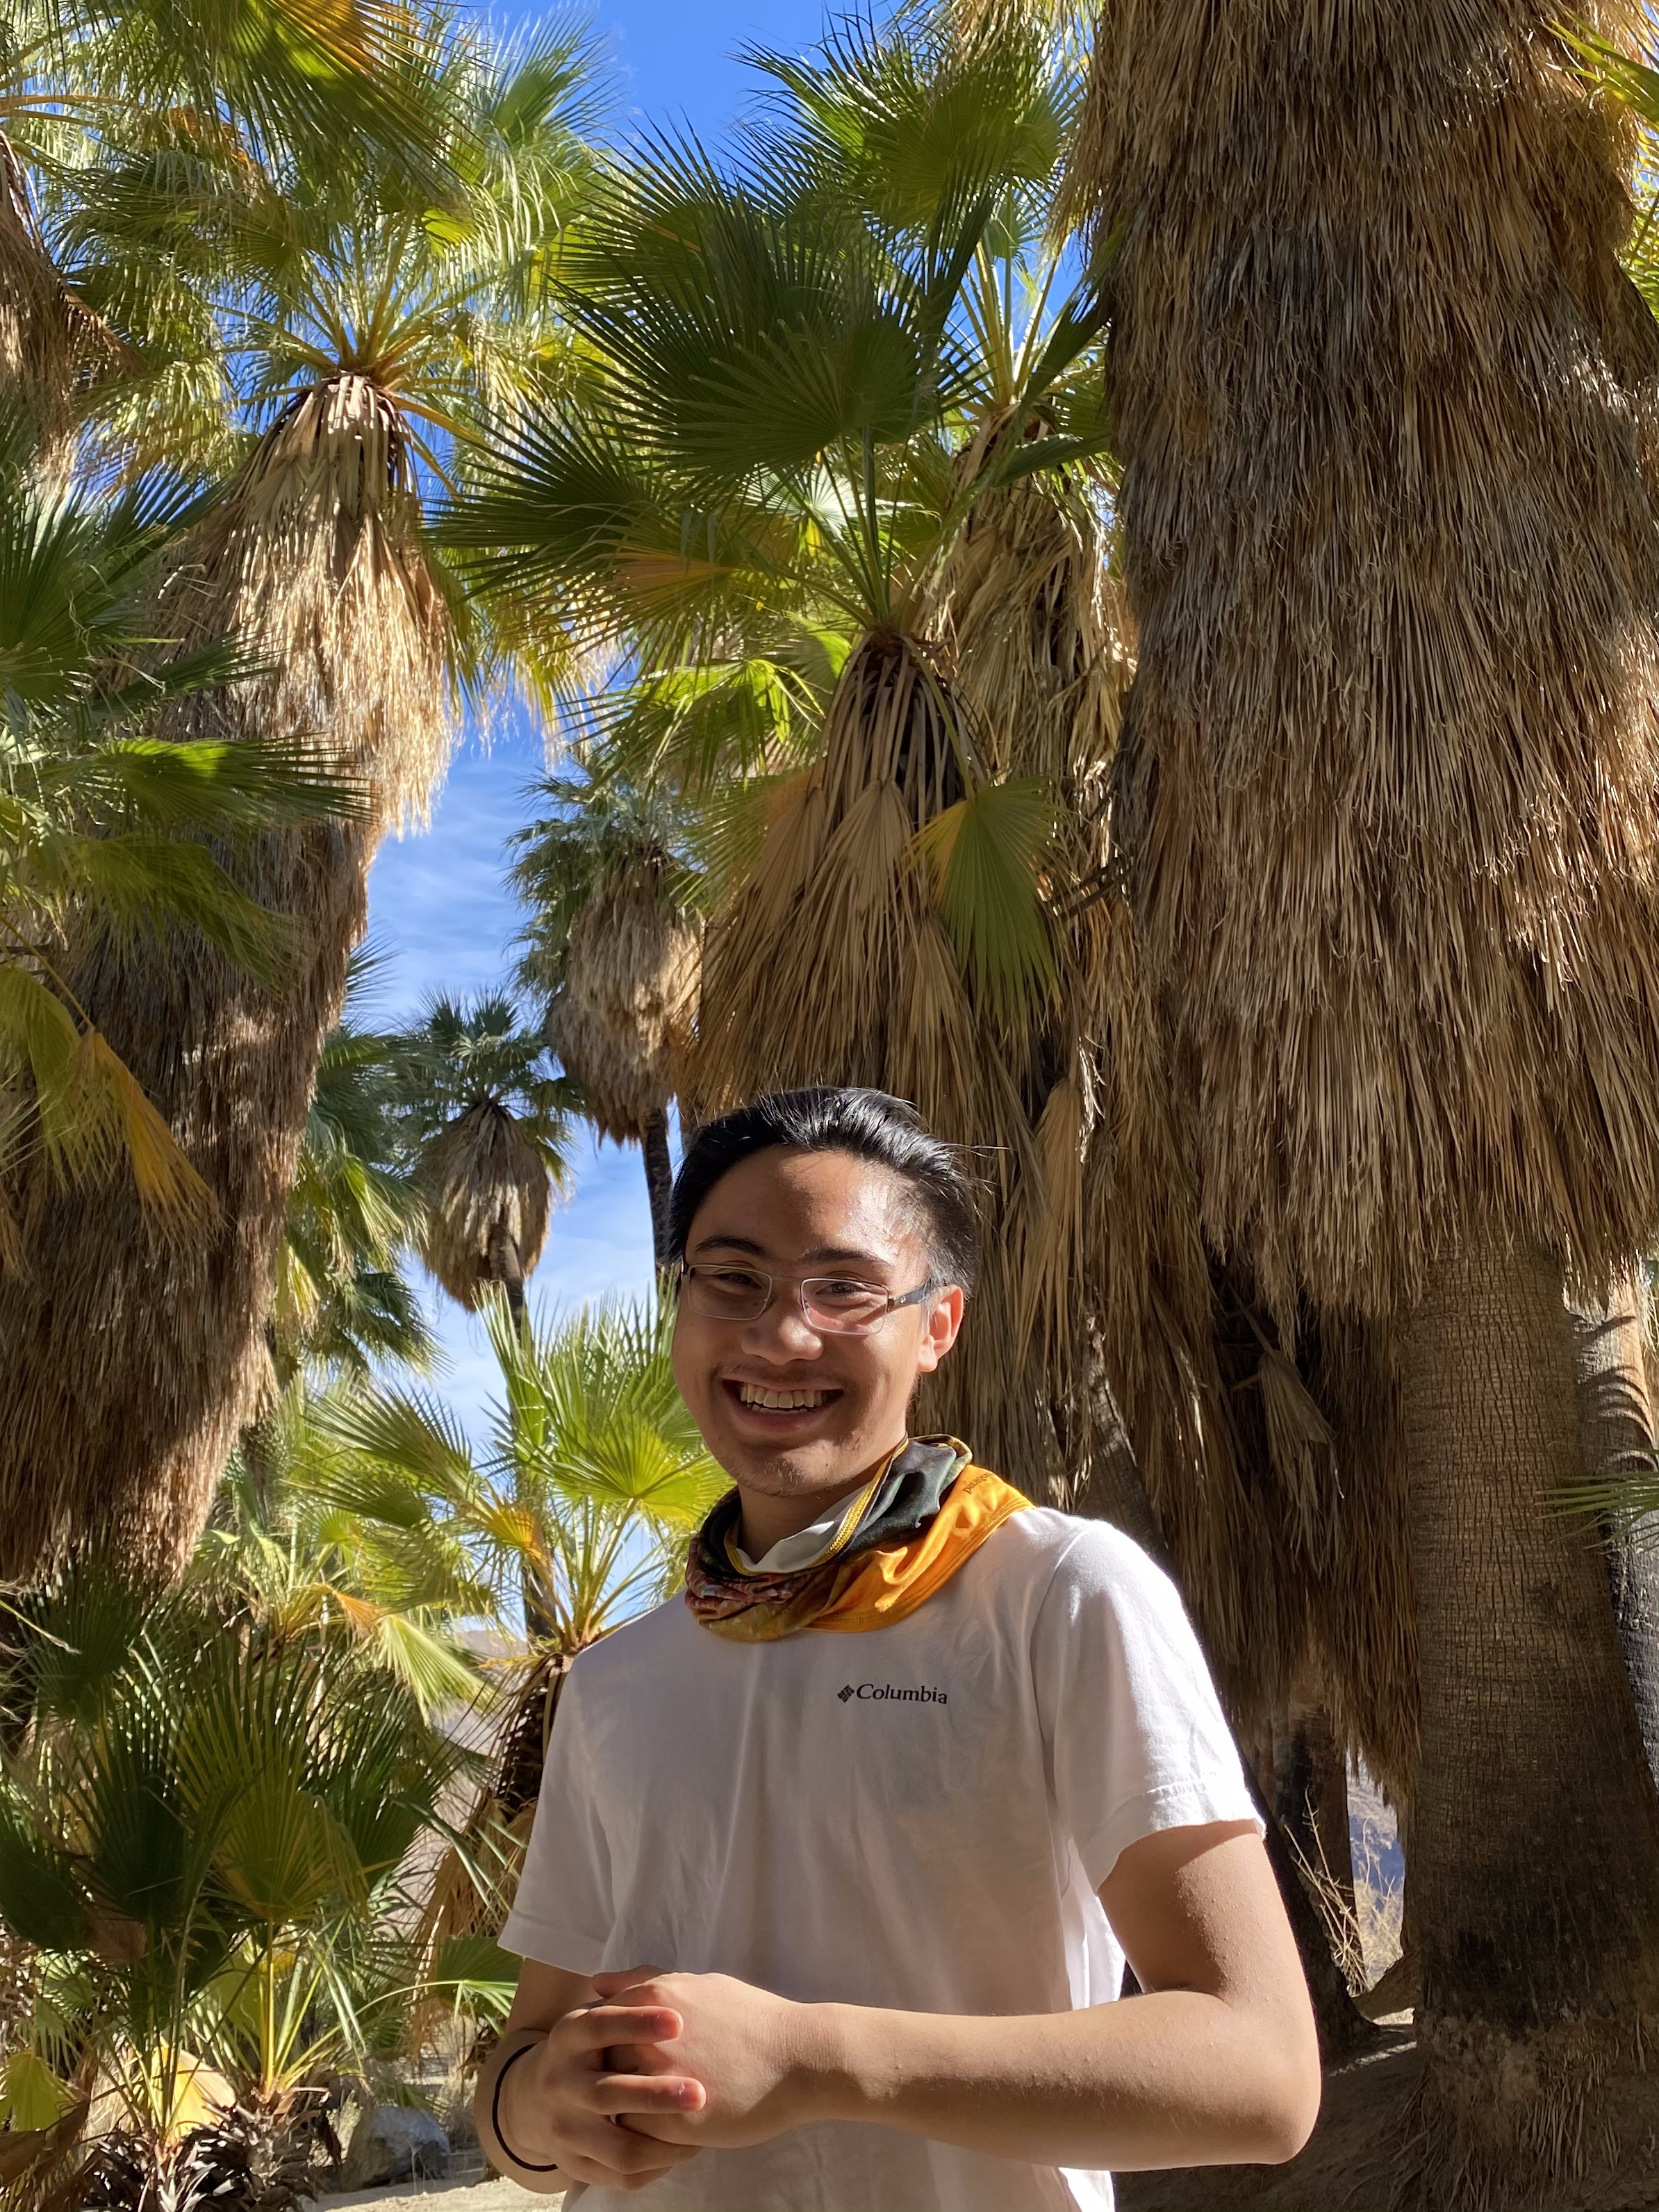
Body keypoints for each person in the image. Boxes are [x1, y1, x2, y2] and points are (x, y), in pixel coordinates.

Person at [476, 1087, 1320, 2209]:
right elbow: (526, 2073)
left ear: (937, 1326)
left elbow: (1259, 2072)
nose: (781, 1334)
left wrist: (818, 2062)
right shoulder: (616, 1681)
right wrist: (538, 2112)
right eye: (733, 1280)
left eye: (845, 1289)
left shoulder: (1058, 1594)